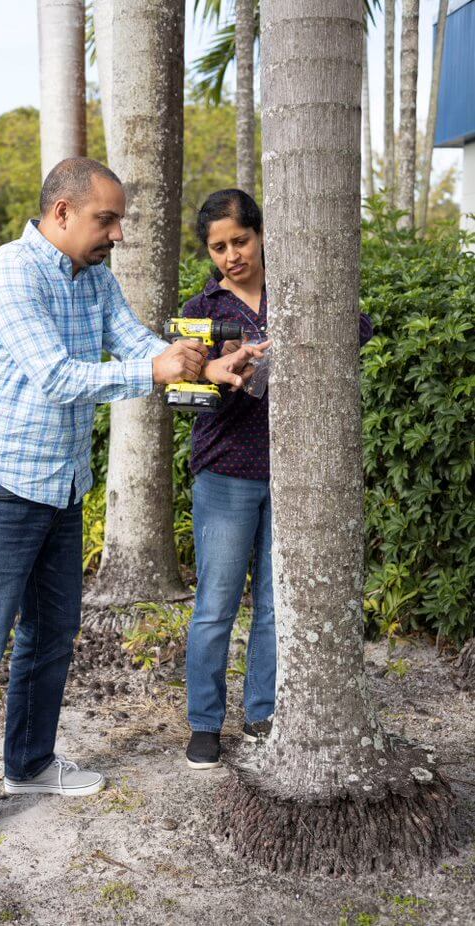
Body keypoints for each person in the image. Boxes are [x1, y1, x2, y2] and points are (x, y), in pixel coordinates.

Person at [0, 159, 264, 856]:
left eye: (117, 221)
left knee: (51, 637)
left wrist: (203, 367)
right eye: (105, 220)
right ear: (60, 214)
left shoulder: (97, 279)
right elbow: (55, 375)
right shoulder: (10, 273)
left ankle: (27, 765)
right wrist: (151, 370)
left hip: (60, 484)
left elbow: (138, 339)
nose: (117, 233)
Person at [183, 189, 374, 770]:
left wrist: (302, 336)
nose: (231, 256)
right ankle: (204, 724)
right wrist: (222, 369)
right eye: (218, 247)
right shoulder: (203, 308)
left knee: (273, 603)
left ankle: (263, 712)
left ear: (261, 234)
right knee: (216, 604)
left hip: (297, 474)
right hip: (224, 474)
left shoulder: (295, 291)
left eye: (239, 241)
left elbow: (358, 331)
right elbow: (181, 394)